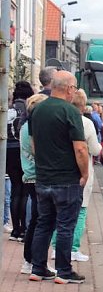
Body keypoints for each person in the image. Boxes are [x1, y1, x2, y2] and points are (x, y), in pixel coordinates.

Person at [28, 71, 89, 285]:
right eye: (74, 88)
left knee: (43, 223)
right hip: (66, 178)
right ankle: (64, 270)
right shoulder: (70, 111)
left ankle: (38, 268)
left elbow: (34, 144)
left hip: (43, 177)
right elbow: (80, 148)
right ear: (69, 89)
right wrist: (84, 173)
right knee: (65, 226)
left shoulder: (37, 109)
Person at [52, 89, 101, 262]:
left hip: (60, 170)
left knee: (59, 211)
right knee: (80, 210)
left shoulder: (58, 119)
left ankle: (55, 247)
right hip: (81, 171)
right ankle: (72, 248)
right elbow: (95, 149)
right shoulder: (86, 123)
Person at [18, 94, 49, 275]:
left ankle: (30, 259)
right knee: (39, 221)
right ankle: (32, 259)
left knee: (37, 220)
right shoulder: (32, 127)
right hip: (36, 175)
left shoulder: (25, 126)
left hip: (30, 176)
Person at [6, 81, 34, 242]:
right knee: (25, 190)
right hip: (22, 150)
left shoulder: (8, 110)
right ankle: (23, 228)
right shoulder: (27, 110)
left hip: (8, 151)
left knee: (15, 189)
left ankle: (15, 229)